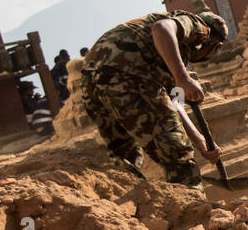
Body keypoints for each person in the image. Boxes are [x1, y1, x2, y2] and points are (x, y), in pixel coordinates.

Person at [79, 10, 228, 188]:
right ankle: (195, 210)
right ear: (216, 46)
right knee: (179, 158)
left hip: (92, 78)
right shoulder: (199, 28)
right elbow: (162, 28)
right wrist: (183, 77)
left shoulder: (170, 51)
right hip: (129, 74)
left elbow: (174, 103)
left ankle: (132, 211)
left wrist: (200, 140)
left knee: (125, 155)